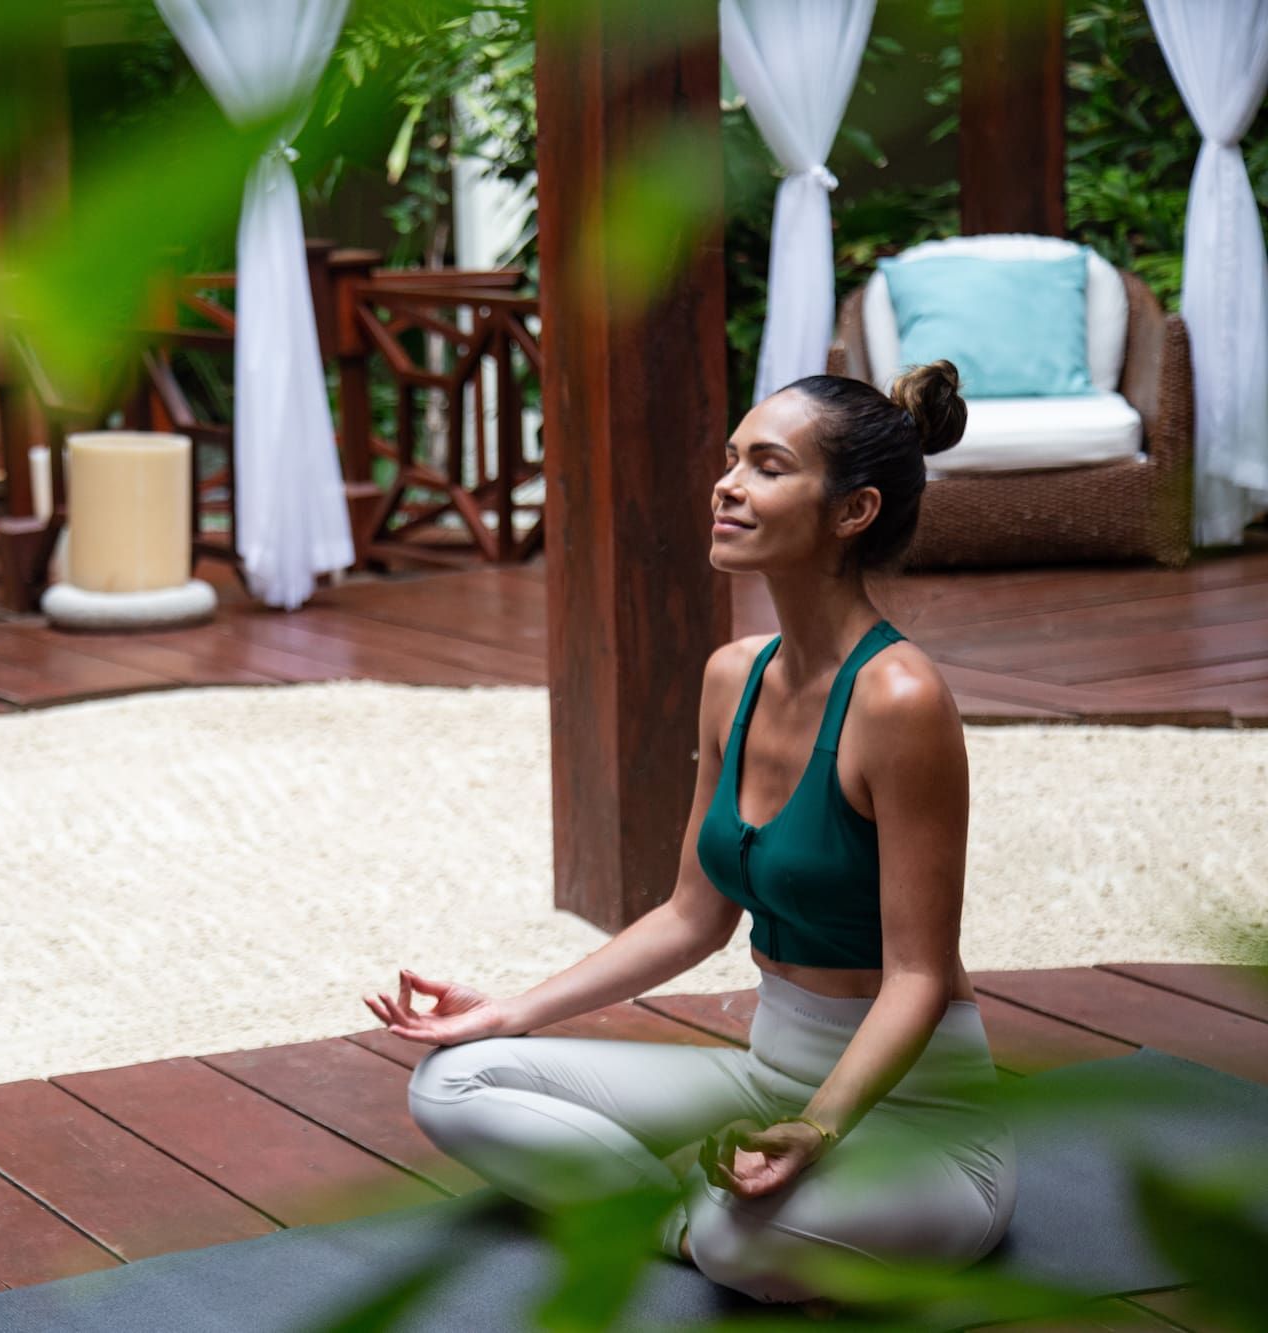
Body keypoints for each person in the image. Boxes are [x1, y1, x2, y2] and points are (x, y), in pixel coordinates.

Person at [367, 361, 1015, 1306]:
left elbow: (919, 973)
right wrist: (509, 1008)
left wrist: (821, 1127)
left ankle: (679, 1209)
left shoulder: (901, 699)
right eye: (730, 460)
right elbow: (689, 917)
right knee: (455, 1081)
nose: (727, 484)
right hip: (768, 1079)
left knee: (735, 1239)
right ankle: (692, 1204)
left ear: (853, 510)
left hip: (920, 1121)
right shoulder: (733, 678)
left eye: (767, 465)